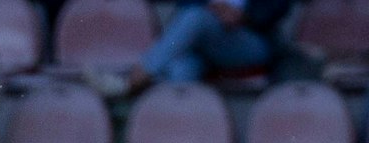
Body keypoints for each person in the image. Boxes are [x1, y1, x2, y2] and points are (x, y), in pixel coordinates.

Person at [108, 0, 294, 95]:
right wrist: (214, 7)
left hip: (249, 41)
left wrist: (244, 15)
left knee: (196, 18)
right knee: (182, 66)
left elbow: (279, 6)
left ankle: (135, 77)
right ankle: (176, 141)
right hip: (204, 39)